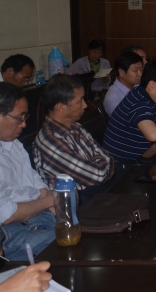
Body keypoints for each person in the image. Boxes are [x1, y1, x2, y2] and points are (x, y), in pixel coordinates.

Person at [33, 75, 119, 205]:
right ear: (61, 107)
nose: (85, 105)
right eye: (80, 100)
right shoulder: (50, 141)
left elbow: (109, 158)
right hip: (75, 204)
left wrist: (100, 166)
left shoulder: (75, 126)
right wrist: (100, 165)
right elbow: (98, 175)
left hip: (96, 193)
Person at [0, 83, 55, 259]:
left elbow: (35, 180)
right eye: (19, 118)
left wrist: (55, 208)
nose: (24, 124)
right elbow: (7, 214)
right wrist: (50, 201)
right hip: (10, 232)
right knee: (62, 240)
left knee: (78, 226)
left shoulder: (13, 143)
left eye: (25, 117)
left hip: (35, 215)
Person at [102, 50, 143, 116]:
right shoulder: (113, 98)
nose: (140, 74)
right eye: (135, 70)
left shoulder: (139, 86)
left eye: (141, 69)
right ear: (122, 72)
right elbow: (125, 121)